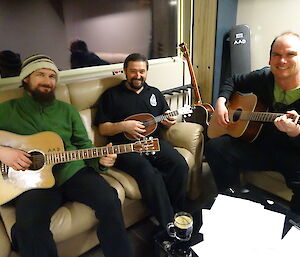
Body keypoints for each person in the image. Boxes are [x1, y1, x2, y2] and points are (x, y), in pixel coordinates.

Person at [0, 54, 133, 257]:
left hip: (73, 172)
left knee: (110, 199)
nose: (48, 81)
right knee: (29, 226)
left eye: (52, 76)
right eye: (41, 74)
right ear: (26, 79)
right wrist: (4, 152)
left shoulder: (68, 111)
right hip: (33, 181)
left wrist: (101, 161)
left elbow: (84, 145)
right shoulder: (7, 110)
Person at [205, 32, 300, 214]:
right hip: (260, 147)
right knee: (215, 147)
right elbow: (232, 81)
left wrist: (295, 132)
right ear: (270, 59)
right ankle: (232, 201)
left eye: (290, 54)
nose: (282, 61)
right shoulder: (264, 77)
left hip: (293, 155)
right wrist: (221, 102)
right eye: (277, 55)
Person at [94, 53, 189, 229]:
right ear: (125, 71)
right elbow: (103, 128)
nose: (138, 76)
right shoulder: (111, 95)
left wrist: (169, 120)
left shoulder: (154, 93)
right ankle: (169, 226)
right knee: (148, 173)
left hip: (153, 142)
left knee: (180, 164)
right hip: (125, 148)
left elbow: (166, 117)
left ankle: (178, 213)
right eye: (133, 71)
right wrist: (124, 126)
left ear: (146, 72)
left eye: (142, 71)